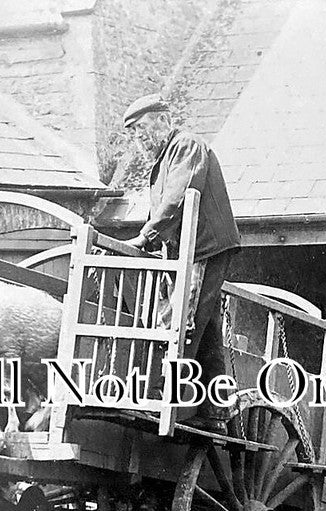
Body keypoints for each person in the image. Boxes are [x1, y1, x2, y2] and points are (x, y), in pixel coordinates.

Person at [118, 93, 241, 431]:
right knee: (205, 324)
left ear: (163, 120)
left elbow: (176, 198)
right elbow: (164, 205)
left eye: (141, 128)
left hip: (202, 248)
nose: (139, 137)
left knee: (182, 321)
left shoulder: (186, 146)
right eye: (134, 132)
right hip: (188, 249)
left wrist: (146, 236)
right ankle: (216, 410)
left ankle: (164, 397)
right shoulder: (166, 157)